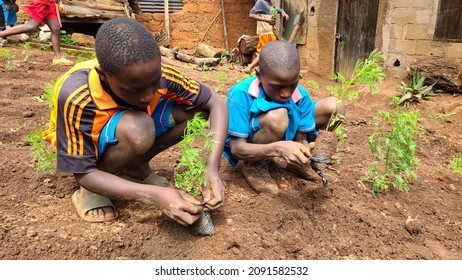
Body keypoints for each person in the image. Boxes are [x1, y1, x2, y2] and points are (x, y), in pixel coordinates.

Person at [43, 17, 228, 225]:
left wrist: (212, 167)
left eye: (154, 83)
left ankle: (135, 166)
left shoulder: (157, 73)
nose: (148, 96)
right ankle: (88, 192)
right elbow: (83, 173)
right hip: (96, 146)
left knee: (197, 112)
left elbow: (216, 103)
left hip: (135, 125)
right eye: (134, 90)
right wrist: (155, 195)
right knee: (138, 128)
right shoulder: (76, 96)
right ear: (104, 77)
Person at [224, 40, 345, 194]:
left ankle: (297, 164)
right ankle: (254, 166)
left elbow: (301, 138)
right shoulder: (241, 94)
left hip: (286, 129)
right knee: (278, 117)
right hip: (254, 140)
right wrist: (279, 149)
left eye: (292, 84)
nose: (286, 93)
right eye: (277, 87)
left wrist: (304, 149)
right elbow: (237, 148)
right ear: (259, 75)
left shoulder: (300, 95)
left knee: (336, 107)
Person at [0, 0, 73, 66]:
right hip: (39, 2)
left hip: (48, 4)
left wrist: (60, 2)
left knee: (55, 28)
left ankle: (58, 57)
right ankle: (1, 34)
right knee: (32, 26)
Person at [242, 0, 289, 74]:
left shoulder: (268, 3)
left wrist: (283, 12)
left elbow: (276, 9)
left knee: (265, 52)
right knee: (270, 52)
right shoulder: (260, 2)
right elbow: (251, 14)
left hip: (269, 32)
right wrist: (267, 20)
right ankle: (255, 68)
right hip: (266, 33)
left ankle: (252, 68)